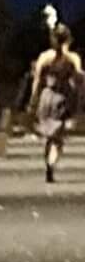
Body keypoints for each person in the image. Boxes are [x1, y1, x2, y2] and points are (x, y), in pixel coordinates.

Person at [25, 24, 82, 183]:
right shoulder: (73, 59)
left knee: (49, 136)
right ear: (69, 40)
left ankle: (48, 162)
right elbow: (78, 82)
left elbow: (37, 81)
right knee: (58, 138)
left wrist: (32, 101)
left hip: (47, 97)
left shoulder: (44, 57)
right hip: (63, 97)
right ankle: (52, 162)